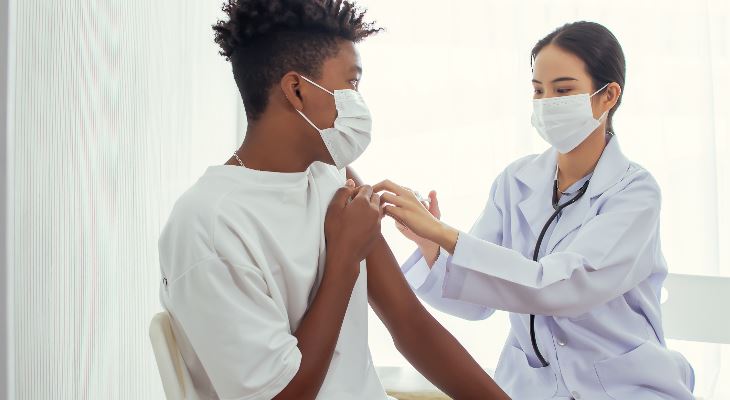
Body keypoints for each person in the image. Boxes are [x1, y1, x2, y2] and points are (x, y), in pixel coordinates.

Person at [157, 1, 509, 399]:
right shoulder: (208, 224)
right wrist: (343, 257)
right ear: (297, 91)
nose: (360, 101)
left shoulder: (331, 178)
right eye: (352, 84)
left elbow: (409, 323)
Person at [376, 21, 695, 400]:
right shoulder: (516, 181)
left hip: (624, 388)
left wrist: (443, 232)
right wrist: (430, 243)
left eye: (562, 90)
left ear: (607, 96)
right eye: (538, 90)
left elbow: (563, 287)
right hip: (528, 388)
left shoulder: (635, 192)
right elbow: (478, 300)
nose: (546, 104)